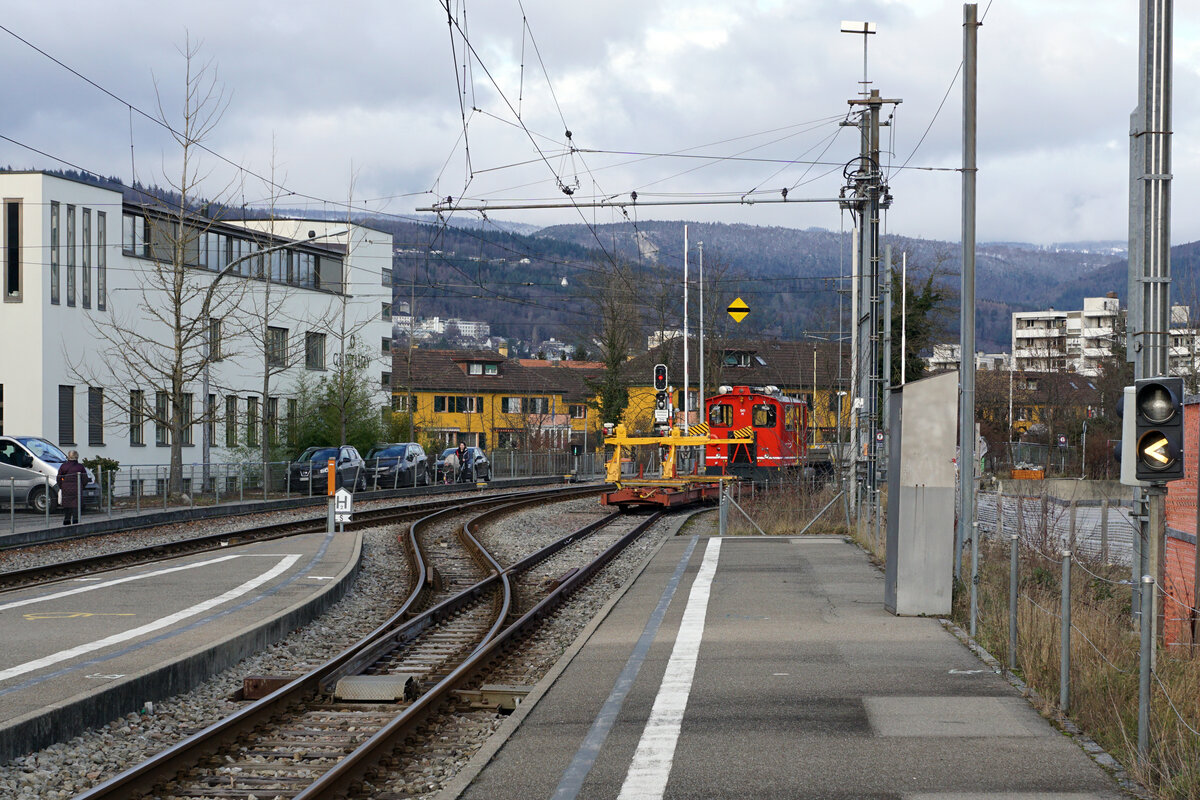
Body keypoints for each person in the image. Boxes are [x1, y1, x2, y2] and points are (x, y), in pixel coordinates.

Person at [57, 450, 87, 525]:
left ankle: (66, 520)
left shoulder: (63, 466)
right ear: (77, 457)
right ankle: (75, 521)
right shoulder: (80, 466)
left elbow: (59, 478)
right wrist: (82, 486)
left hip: (66, 488)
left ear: (68, 457)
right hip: (77, 488)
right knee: (76, 506)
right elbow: (85, 479)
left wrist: (61, 486)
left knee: (67, 505)